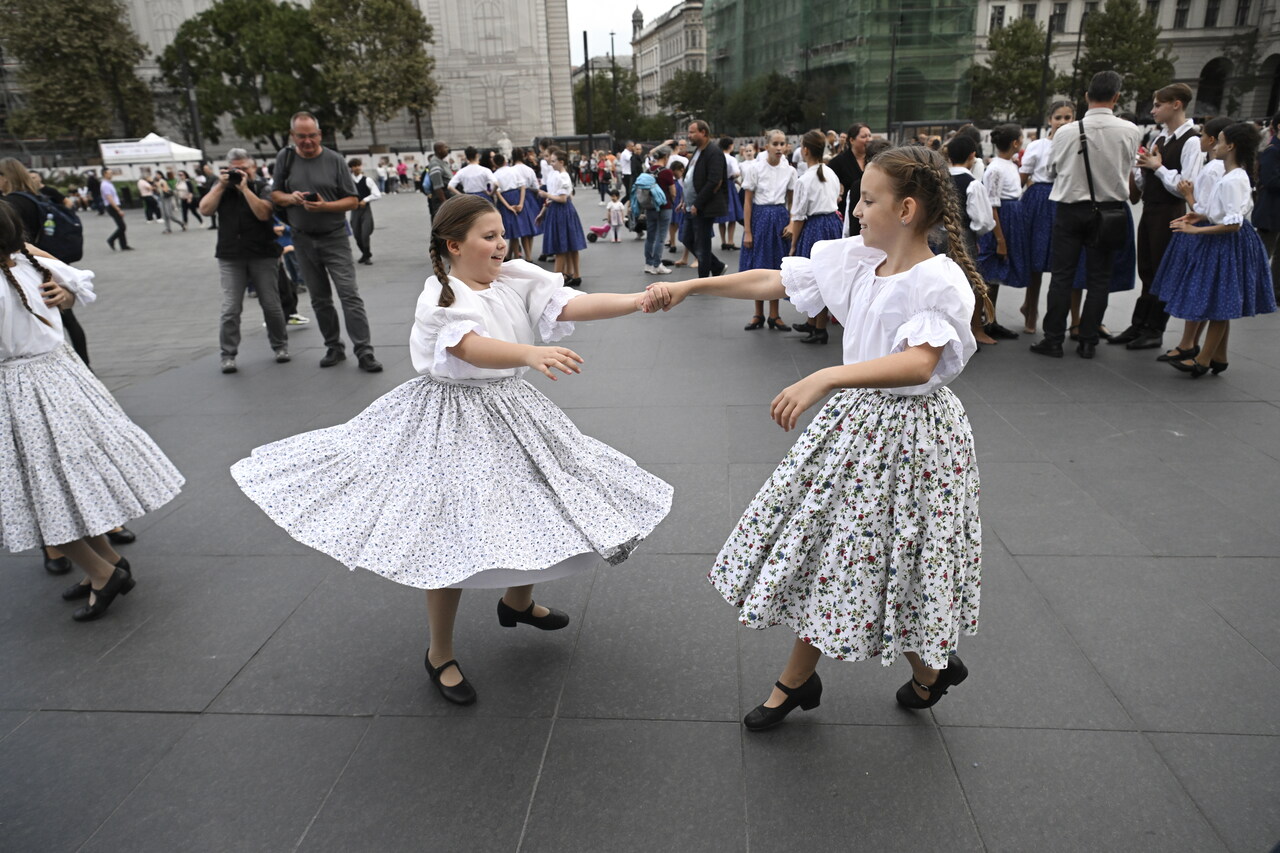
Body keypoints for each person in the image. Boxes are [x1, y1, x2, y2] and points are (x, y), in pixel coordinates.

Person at [232, 194, 672, 705]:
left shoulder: (514, 277)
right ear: (454, 245)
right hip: (452, 415)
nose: (502, 243)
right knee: (449, 530)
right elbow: (465, 346)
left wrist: (636, 300)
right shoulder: (441, 294)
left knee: (539, 505)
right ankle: (440, 652)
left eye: (502, 233)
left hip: (511, 408)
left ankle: (517, 601)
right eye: (489, 236)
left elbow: (571, 302)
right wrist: (529, 351)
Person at [645, 145, 983, 730]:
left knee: (864, 552)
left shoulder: (938, 280)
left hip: (911, 439)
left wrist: (827, 374)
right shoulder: (860, 259)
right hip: (858, 426)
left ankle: (823, 679)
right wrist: (695, 288)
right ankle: (921, 668)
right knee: (844, 550)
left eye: (867, 200)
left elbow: (918, 365)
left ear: (905, 210)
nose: (855, 211)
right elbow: (776, 277)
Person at [0, 201, 184, 620]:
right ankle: (108, 564)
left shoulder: (24, 264)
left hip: (20, 390)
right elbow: (80, 283)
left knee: (39, 496)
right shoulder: (29, 258)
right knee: (64, 484)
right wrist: (65, 295)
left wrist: (63, 297)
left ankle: (102, 574)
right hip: (61, 379)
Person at [1031, 71, 1143, 359]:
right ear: (1116, 98)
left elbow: (1054, 170)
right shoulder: (1130, 130)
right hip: (1109, 210)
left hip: (1070, 208)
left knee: (1062, 276)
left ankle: (1053, 338)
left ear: (1086, 97)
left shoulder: (1067, 132)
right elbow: (1128, 168)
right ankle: (1088, 339)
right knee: (1099, 278)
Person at [1154, 122, 1276, 376]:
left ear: (1230, 146)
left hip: (1226, 243)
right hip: (1225, 242)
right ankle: (1217, 356)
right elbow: (1221, 211)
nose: (1215, 145)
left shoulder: (1233, 178)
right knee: (1221, 301)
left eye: (1219, 141)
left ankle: (1204, 358)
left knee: (1220, 304)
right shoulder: (1233, 175)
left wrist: (1197, 230)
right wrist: (1198, 216)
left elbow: (1232, 223)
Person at [270, 111, 381, 373]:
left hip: (334, 237)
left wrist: (324, 207)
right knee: (319, 299)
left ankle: (364, 351)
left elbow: (353, 200)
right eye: (301, 137)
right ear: (292, 136)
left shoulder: (334, 161)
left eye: (311, 136)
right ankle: (333, 346)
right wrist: (291, 198)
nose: (307, 141)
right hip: (302, 238)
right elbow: (275, 194)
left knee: (349, 294)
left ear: (319, 135)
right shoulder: (284, 158)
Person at [1114, 82, 1201, 351]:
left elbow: (1187, 185)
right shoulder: (1160, 137)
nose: (1153, 111)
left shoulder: (1192, 140)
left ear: (1176, 104)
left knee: (1161, 269)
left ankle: (1155, 328)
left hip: (1170, 211)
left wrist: (1158, 167)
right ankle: (1140, 323)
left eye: (1158, 105)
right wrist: (1140, 169)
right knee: (1148, 268)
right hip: (1152, 208)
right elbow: (1143, 178)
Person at [201, 148, 290, 374]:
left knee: (271, 304)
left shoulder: (262, 187)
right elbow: (205, 210)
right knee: (231, 307)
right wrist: (221, 185)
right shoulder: (221, 189)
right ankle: (228, 354)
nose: (240, 173)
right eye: (235, 169)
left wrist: (245, 188)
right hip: (230, 255)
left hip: (263, 253)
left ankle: (280, 346)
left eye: (244, 168)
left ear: (253, 168)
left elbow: (263, 213)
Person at [1151, 117, 1232, 364]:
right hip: (1211, 231)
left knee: (1198, 289)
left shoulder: (1213, 169)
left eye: (1206, 136)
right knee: (1212, 292)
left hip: (1205, 233)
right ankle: (1216, 352)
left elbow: (1205, 208)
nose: (1200, 140)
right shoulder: (1220, 168)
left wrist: (1188, 194)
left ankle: (1190, 344)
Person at [1019, 101, 1075, 334]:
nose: (1062, 122)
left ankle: (1065, 316)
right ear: (1049, 120)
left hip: (1064, 198)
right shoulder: (1038, 146)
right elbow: (1022, 176)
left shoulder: (1075, 145)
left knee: (1061, 261)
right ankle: (1031, 309)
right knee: (1036, 259)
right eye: (1058, 117)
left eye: (1067, 117)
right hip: (1040, 200)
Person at [975, 122, 1026, 344]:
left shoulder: (1010, 164)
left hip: (1011, 219)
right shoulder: (995, 168)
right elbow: (992, 204)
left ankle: (990, 320)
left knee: (995, 276)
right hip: (1001, 222)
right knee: (986, 275)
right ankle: (979, 322)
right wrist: (1000, 238)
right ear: (1015, 142)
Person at [739, 129, 795, 331]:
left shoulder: (789, 170)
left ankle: (775, 314)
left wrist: (791, 223)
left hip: (780, 216)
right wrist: (747, 230)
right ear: (767, 146)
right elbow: (747, 201)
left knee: (776, 265)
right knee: (758, 264)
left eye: (783, 144)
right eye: (776, 144)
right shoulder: (755, 168)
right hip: (760, 217)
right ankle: (758, 313)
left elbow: (792, 200)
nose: (779, 148)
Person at [685, 119, 728, 279]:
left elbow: (714, 181)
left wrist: (698, 203)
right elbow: (690, 177)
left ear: (703, 132)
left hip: (703, 207)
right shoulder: (698, 151)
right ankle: (717, 266)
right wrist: (685, 200)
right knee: (687, 239)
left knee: (702, 244)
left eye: (692, 132)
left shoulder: (713, 152)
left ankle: (703, 280)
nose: (689, 135)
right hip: (691, 205)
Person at [537, 149, 585, 286]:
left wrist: (546, 195)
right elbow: (567, 197)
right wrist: (544, 210)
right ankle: (575, 274)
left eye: (553, 161)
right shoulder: (559, 175)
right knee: (570, 245)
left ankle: (557, 279)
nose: (550, 163)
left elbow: (563, 198)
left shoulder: (562, 176)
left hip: (561, 210)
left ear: (561, 162)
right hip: (562, 210)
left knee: (561, 247)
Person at [1253, 112, 1280, 295]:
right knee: (1263, 254)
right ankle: (1253, 289)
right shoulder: (1272, 151)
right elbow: (1270, 181)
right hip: (1270, 211)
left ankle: (1275, 290)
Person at [642, 145, 676, 275]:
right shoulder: (666, 172)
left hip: (650, 206)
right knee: (661, 237)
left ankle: (648, 263)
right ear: (666, 157)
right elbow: (673, 191)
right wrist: (673, 200)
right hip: (664, 207)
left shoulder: (648, 170)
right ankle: (657, 264)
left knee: (650, 236)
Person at [347, 157, 381, 266]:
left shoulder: (367, 180)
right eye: (354, 166)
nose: (356, 168)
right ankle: (365, 253)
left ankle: (367, 256)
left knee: (365, 234)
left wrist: (365, 200)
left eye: (358, 165)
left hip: (365, 209)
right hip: (354, 210)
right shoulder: (349, 181)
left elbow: (377, 194)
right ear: (351, 168)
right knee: (357, 234)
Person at [716, 137, 743, 250]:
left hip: (718, 186)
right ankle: (730, 241)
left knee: (721, 215)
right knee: (732, 215)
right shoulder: (731, 159)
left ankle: (723, 241)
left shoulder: (716, 157)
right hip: (729, 184)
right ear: (730, 146)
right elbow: (736, 173)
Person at [99, 168, 130, 251]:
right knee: (122, 226)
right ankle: (111, 240)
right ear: (105, 174)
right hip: (112, 206)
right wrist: (118, 209)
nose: (111, 175)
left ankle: (123, 245)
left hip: (114, 205)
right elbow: (109, 198)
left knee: (121, 226)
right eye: (110, 173)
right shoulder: (105, 185)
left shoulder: (108, 183)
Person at [426, 141, 454, 218]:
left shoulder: (442, 162)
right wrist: (444, 203)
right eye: (445, 147)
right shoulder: (435, 164)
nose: (447, 149)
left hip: (448, 198)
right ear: (439, 150)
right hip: (442, 200)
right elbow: (437, 186)